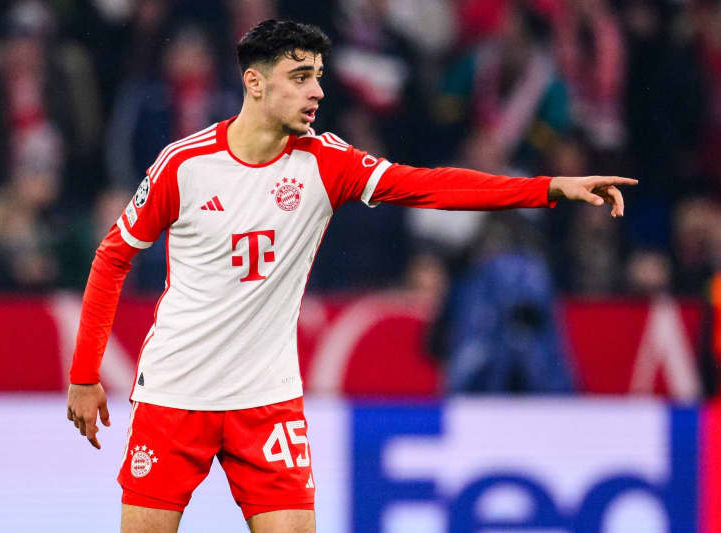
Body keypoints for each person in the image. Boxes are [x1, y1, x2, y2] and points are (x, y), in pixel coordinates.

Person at [66, 19, 637, 533]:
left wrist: (547, 188)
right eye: (299, 76)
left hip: (266, 402)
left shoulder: (326, 162)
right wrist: (85, 375)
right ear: (255, 83)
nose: (317, 91)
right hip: (174, 395)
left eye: (318, 76)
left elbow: (430, 186)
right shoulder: (183, 165)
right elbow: (112, 257)